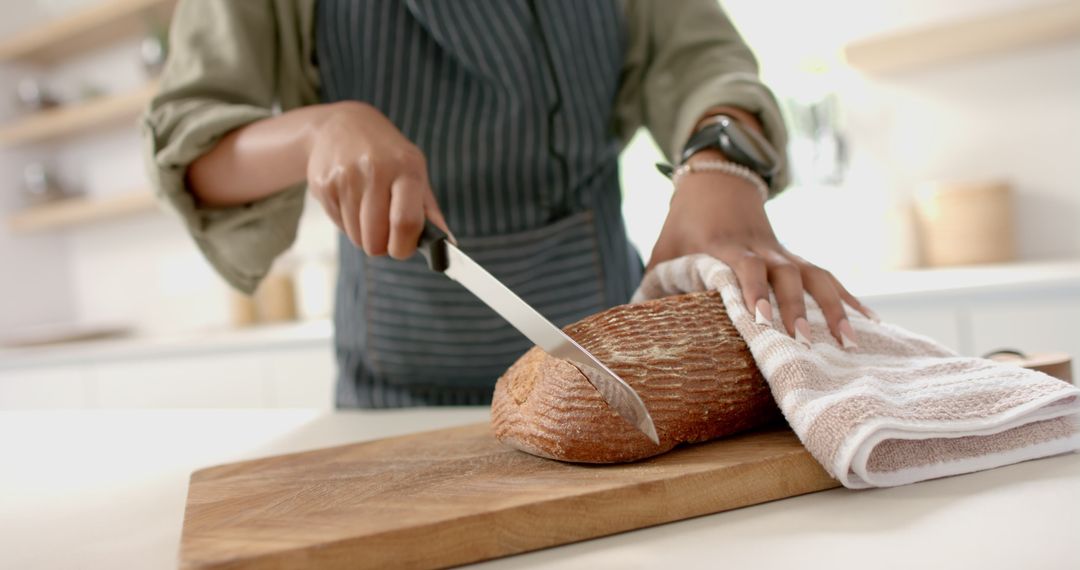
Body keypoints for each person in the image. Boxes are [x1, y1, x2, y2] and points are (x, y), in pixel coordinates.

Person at [143, 0, 874, 408]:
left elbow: (701, 59)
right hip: (390, 399)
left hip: (609, 375)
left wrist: (721, 160)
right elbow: (190, 142)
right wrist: (316, 132)